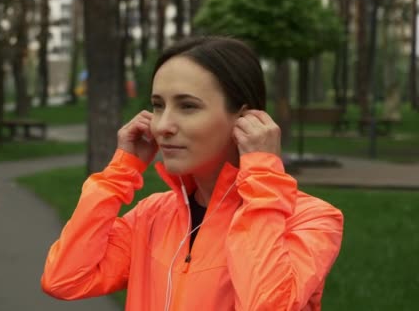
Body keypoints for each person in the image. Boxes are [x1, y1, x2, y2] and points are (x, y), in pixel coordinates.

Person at [41, 36, 344, 310]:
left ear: (246, 118)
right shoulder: (152, 216)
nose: (162, 126)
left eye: (187, 106)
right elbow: (66, 279)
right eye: (158, 106)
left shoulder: (311, 220)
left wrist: (263, 177)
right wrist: (120, 171)